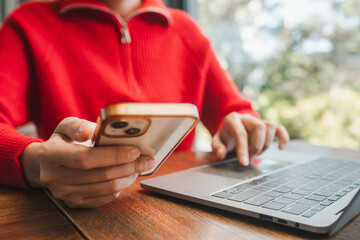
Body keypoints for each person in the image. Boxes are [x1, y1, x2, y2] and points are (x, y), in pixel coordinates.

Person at [0, 0, 289, 208]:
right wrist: (35, 163)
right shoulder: (29, 23)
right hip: (72, 216)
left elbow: (234, 110)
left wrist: (241, 125)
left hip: (177, 212)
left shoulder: (186, 30)